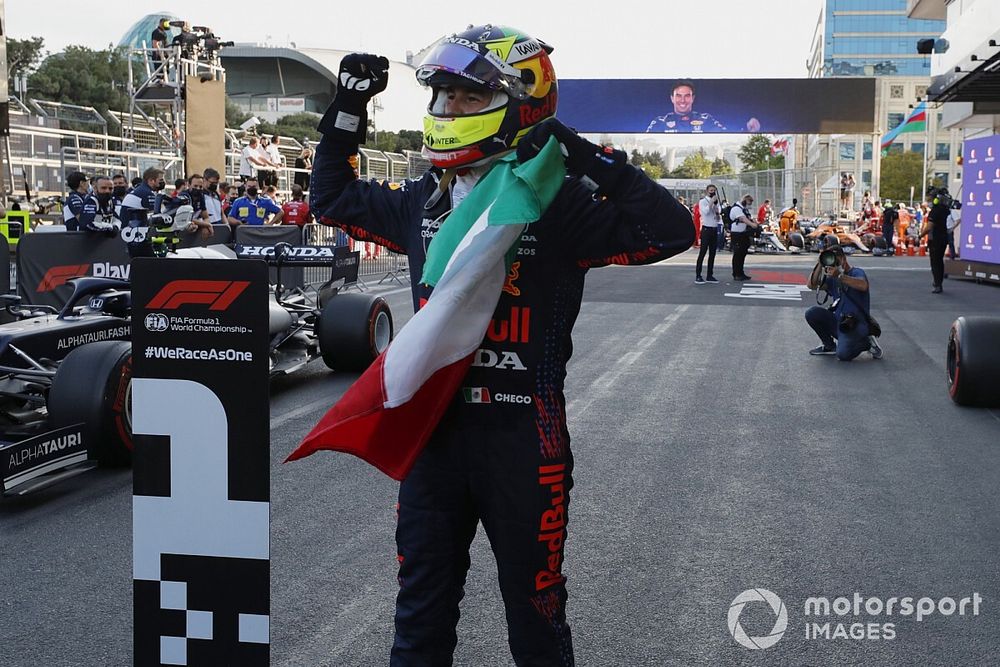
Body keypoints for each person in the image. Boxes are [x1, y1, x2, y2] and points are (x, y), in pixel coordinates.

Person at [308, 25, 693, 665]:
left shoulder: (558, 200)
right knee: (419, 619)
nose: (449, 108)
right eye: (443, 95)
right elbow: (331, 198)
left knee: (536, 616)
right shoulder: (422, 198)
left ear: (522, 104)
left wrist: (585, 155)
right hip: (433, 436)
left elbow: (672, 231)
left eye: (468, 96)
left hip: (523, 442)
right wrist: (348, 108)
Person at [805, 244, 882, 360]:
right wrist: (820, 263)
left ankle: (867, 343)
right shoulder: (833, 279)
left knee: (843, 355)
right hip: (839, 323)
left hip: (855, 325)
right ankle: (829, 346)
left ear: (844, 259)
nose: (835, 265)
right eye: (832, 262)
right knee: (812, 313)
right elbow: (812, 285)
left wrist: (840, 276)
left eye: (837, 261)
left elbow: (863, 285)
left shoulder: (856, 272)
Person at [120, 166, 166, 257]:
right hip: (136, 235)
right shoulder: (147, 193)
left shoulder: (140, 190)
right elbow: (157, 214)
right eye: (160, 180)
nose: (163, 182)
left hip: (131, 232)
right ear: (151, 180)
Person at [921, 189, 952, 293]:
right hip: (944, 238)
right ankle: (939, 282)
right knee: (940, 261)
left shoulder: (935, 211)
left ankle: (937, 283)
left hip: (935, 239)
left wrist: (920, 236)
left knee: (935, 262)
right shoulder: (946, 210)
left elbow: (929, 227)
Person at [695, 184, 722, 284]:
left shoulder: (716, 202)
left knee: (712, 253)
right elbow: (705, 212)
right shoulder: (702, 201)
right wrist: (711, 202)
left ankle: (710, 275)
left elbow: (717, 217)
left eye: (714, 190)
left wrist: (717, 210)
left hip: (714, 228)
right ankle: (698, 275)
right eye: (711, 190)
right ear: (707, 191)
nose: (712, 192)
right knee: (703, 252)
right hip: (706, 229)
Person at [728, 193, 758, 280]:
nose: (749, 204)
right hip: (737, 233)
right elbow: (742, 219)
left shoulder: (743, 209)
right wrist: (752, 225)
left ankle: (741, 272)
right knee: (738, 254)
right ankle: (736, 273)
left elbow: (748, 217)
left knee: (742, 253)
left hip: (743, 233)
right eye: (749, 202)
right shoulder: (736, 208)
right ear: (745, 200)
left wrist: (754, 222)